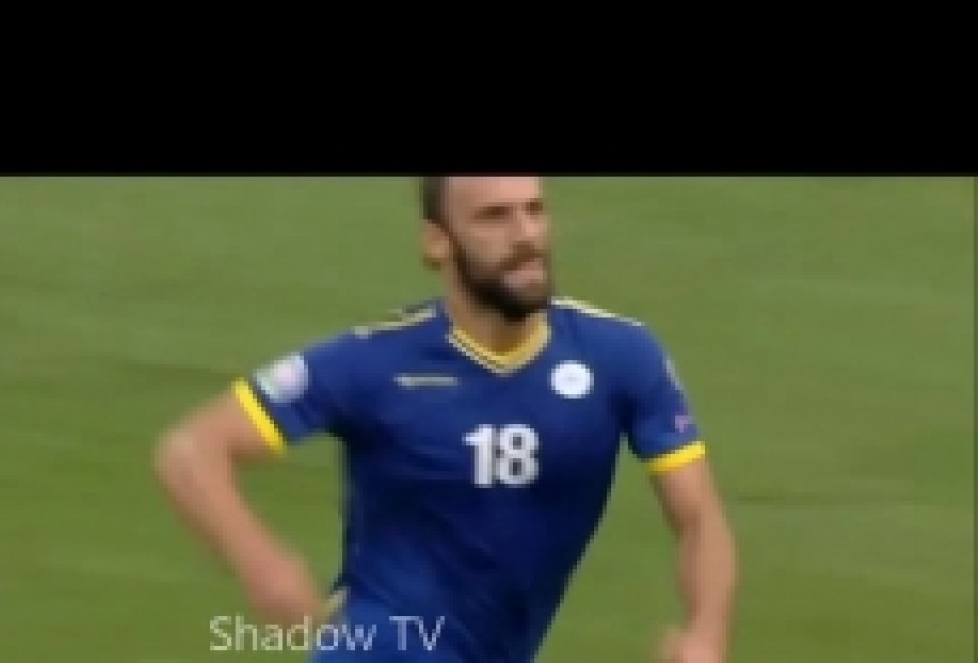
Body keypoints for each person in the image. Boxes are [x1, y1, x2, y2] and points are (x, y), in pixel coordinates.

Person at [153, 176, 738, 662]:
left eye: (534, 210)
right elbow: (193, 450)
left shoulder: (620, 357)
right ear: (438, 243)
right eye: (494, 217)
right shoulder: (375, 364)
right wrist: (261, 563)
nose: (526, 235)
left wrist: (705, 634)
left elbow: (699, 517)